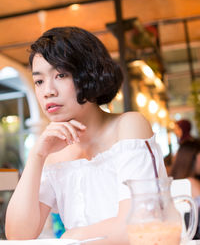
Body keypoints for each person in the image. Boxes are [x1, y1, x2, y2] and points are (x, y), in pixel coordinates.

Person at [5, 27, 167, 244]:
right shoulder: (54, 154)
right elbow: (18, 235)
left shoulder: (128, 126)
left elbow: (140, 223)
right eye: (39, 81)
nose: (48, 91)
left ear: (89, 73)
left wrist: (75, 235)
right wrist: (37, 156)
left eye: (61, 75)